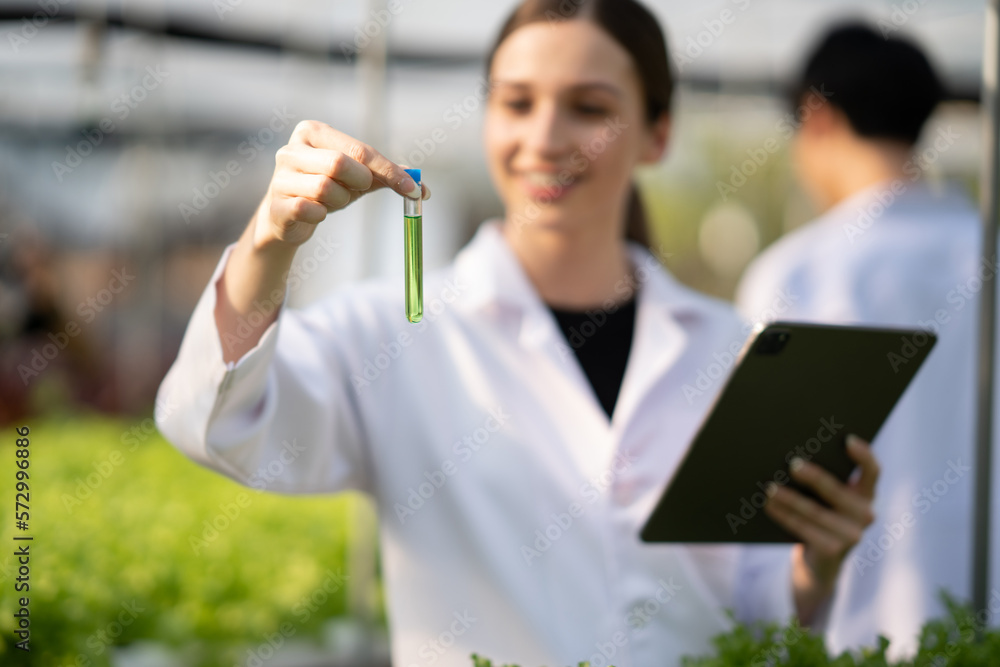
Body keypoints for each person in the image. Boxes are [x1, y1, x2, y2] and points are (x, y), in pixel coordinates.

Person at [157, 2, 879, 665]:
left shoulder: (727, 349)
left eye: (589, 107)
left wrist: (812, 568)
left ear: (658, 135)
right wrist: (267, 243)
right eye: (517, 102)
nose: (543, 137)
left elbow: (750, 608)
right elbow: (215, 425)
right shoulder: (396, 334)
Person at [735, 23, 991, 659]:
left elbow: (756, 495)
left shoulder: (795, 274)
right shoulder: (983, 252)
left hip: (853, 635)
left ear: (817, 116)